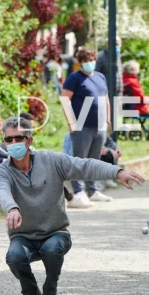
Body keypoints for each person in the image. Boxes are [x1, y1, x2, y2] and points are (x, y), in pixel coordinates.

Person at [0, 117, 145, 295]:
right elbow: (2, 191)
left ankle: (49, 293)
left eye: (19, 138)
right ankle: (30, 292)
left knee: (52, 249)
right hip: (23, 235)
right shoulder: (1, 172)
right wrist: (12, 207)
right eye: (9, 140)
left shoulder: (52, 161)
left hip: (55, 233)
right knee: (14, 257)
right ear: (4, 142)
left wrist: (117, 172)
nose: (14, 143)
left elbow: (85, 166)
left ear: (29, 140)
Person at [61, 46, 112, 207]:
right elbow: (65, 100)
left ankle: (93, 190)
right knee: (80, 159)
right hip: (81, 125)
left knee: (94, 159)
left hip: (100, 126)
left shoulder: (100, 77)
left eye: (92, 60)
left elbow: (105, 98)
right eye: (86, 61)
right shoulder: (74, 78)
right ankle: (78, 192)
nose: (90, 63)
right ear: (80, 62)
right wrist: (71, 122)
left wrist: (108, 118)